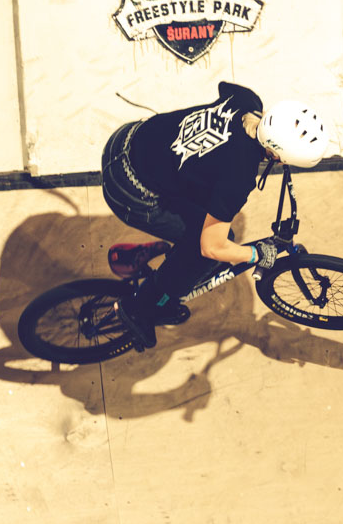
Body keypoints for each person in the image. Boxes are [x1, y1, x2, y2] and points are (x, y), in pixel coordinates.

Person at [101, 80, 329, 347]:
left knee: (203, 204)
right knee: (207, 249)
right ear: (278, 156)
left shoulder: (246, 100)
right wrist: (255, 255)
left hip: (126, 140)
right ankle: (141, 307)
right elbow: (212, 247)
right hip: (126, 189)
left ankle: (166, 263)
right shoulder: (238, 176)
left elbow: (225, 86)